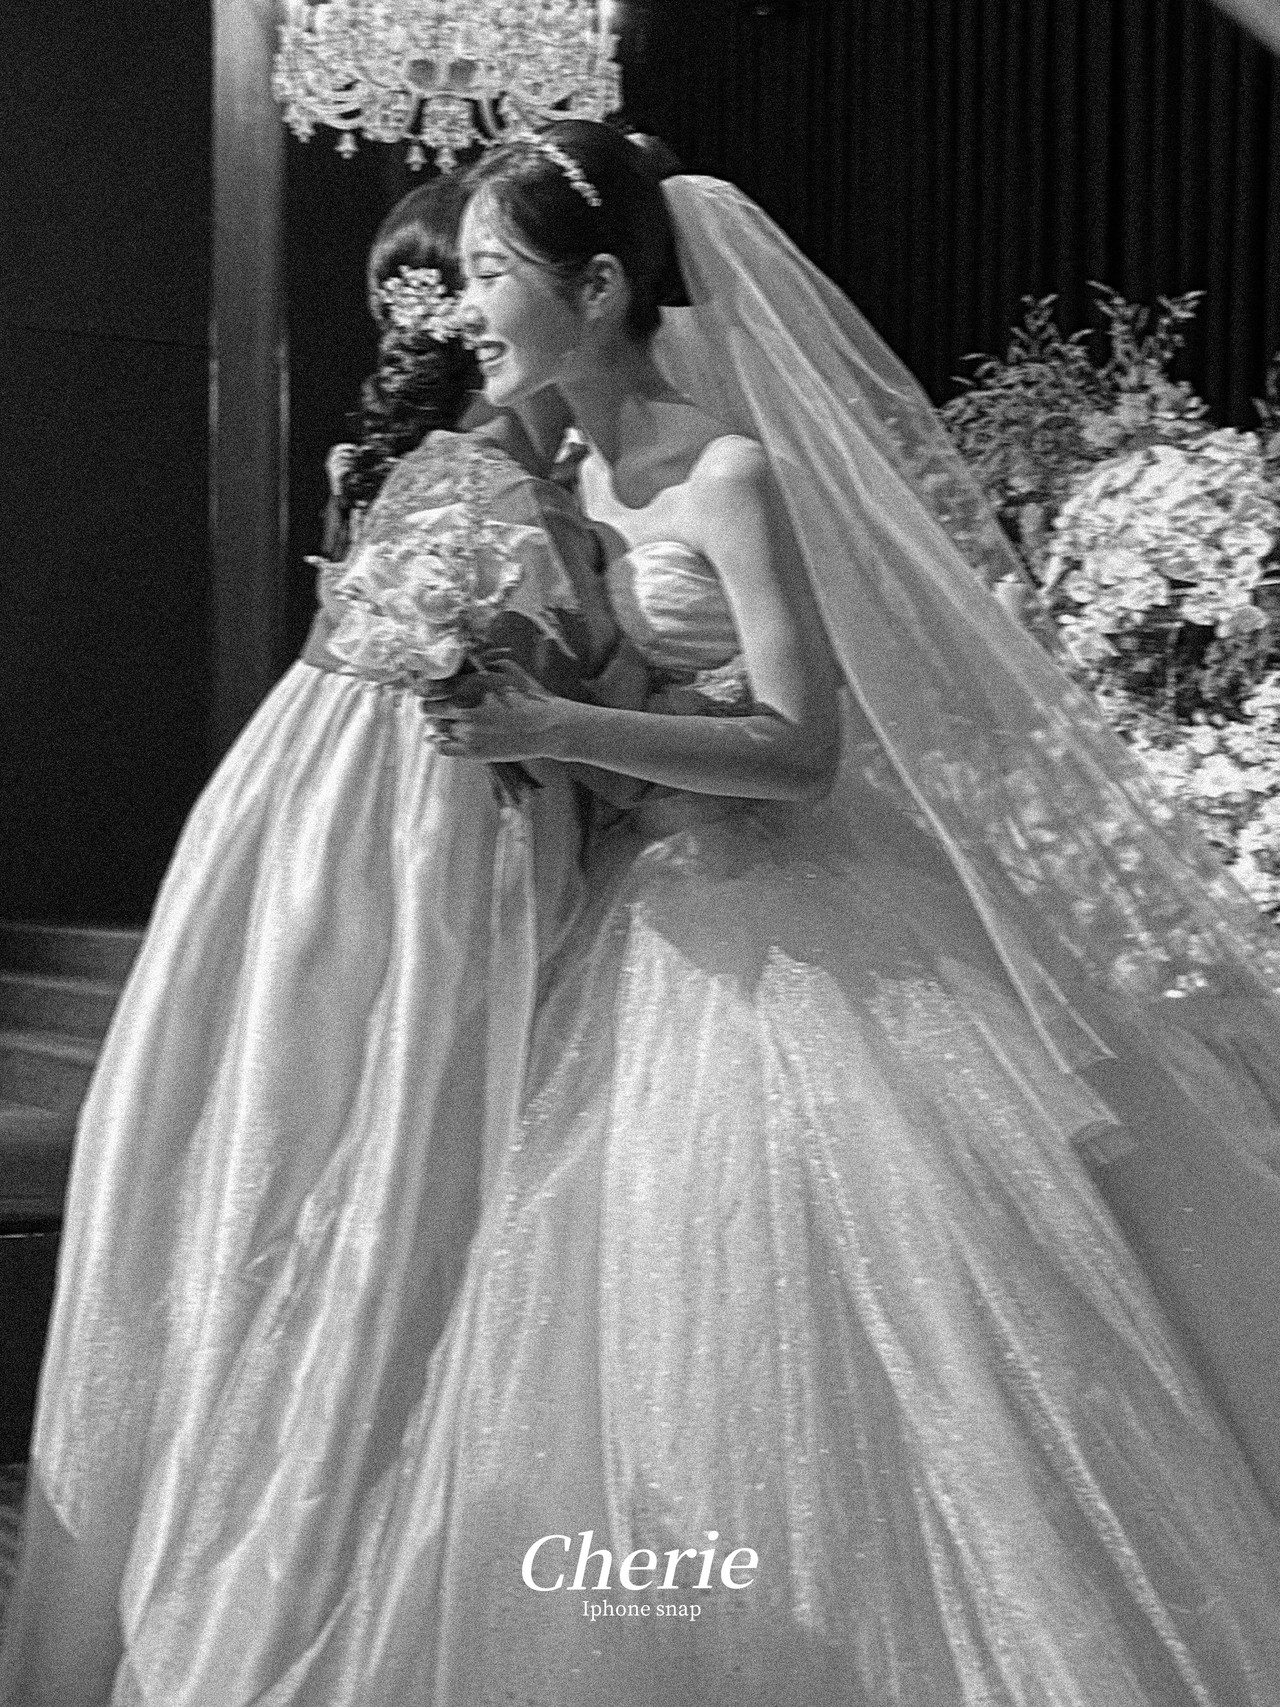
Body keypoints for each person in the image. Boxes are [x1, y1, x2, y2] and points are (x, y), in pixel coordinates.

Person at [209, 122, 1280, 1704]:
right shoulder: (560, 476)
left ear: (596, 287)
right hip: (637, 917)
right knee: (638, 1330)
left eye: (493, 272)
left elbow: (802, 746)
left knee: (879, 1318)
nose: (467, 306)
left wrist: (555, 725)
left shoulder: (728, 472)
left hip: (788, 928)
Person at [0, 173, 637, 1706]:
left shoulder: (438, 469)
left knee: (339, 1182)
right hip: (411, 857)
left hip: (328, 843)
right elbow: (518, 714)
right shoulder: (487, 485)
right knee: (388, 1177)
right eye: (469, 279)